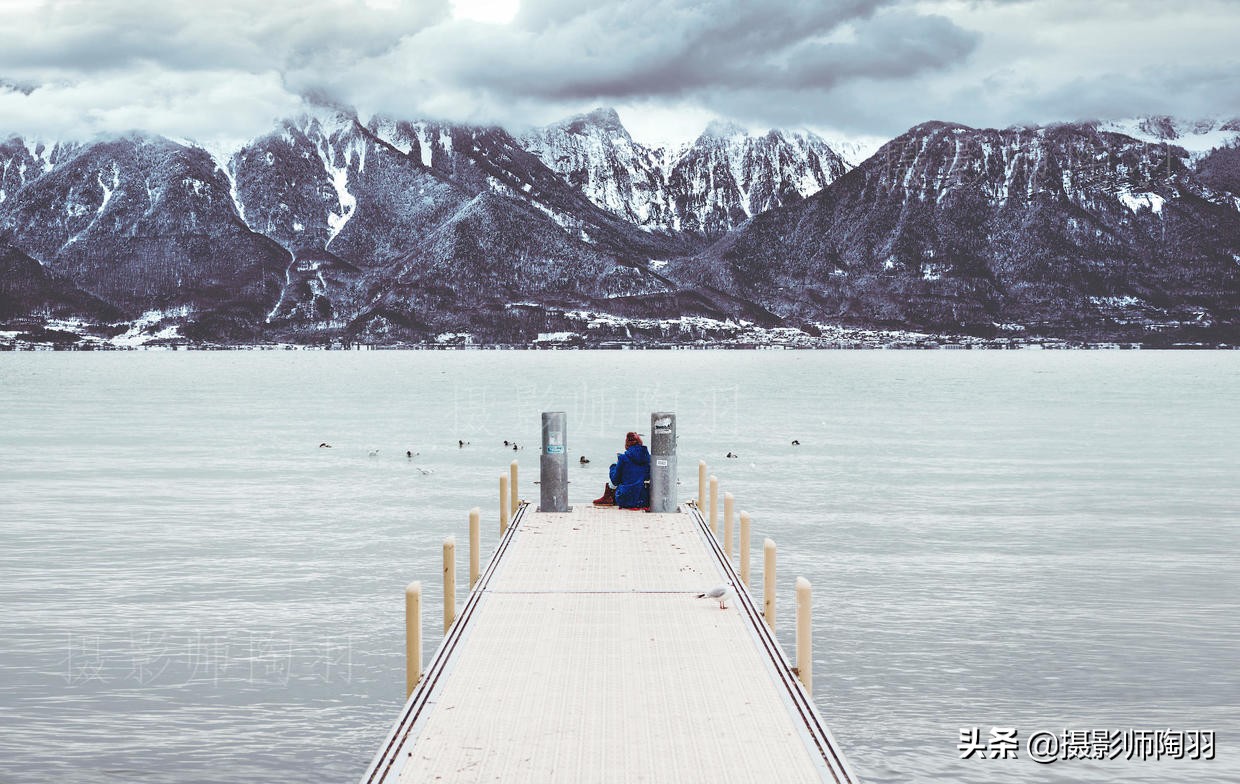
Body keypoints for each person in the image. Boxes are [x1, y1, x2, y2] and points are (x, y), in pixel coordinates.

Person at [593, 431, 650, 509]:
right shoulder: (649, 458)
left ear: (627, 444)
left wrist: (613, 467)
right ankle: (608, 497)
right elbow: (647, 476)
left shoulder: (623, 458)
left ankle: (607, 497)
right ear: (640, 442)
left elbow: (615, 480)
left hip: (625, 499)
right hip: (644, 500)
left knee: (617, 473)